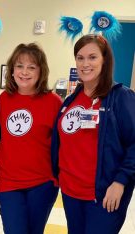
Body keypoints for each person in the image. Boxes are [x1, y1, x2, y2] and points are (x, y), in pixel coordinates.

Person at [51, 34, 135, 234]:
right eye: (80, 58)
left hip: (104, 195)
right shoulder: (70, 101)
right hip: (71, 193)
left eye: (92, 57)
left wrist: (120, 181)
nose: (85, 63)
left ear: (104, 60)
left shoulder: (121, 97)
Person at [0, 43, 62, 234]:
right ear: (12, 70)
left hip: (42, 183)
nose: (25, 72)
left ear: (41, 71)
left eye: (31, 67)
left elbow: (63, 143)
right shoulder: (3, 100)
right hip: (9, 182)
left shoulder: (53, 102)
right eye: (19, 66)